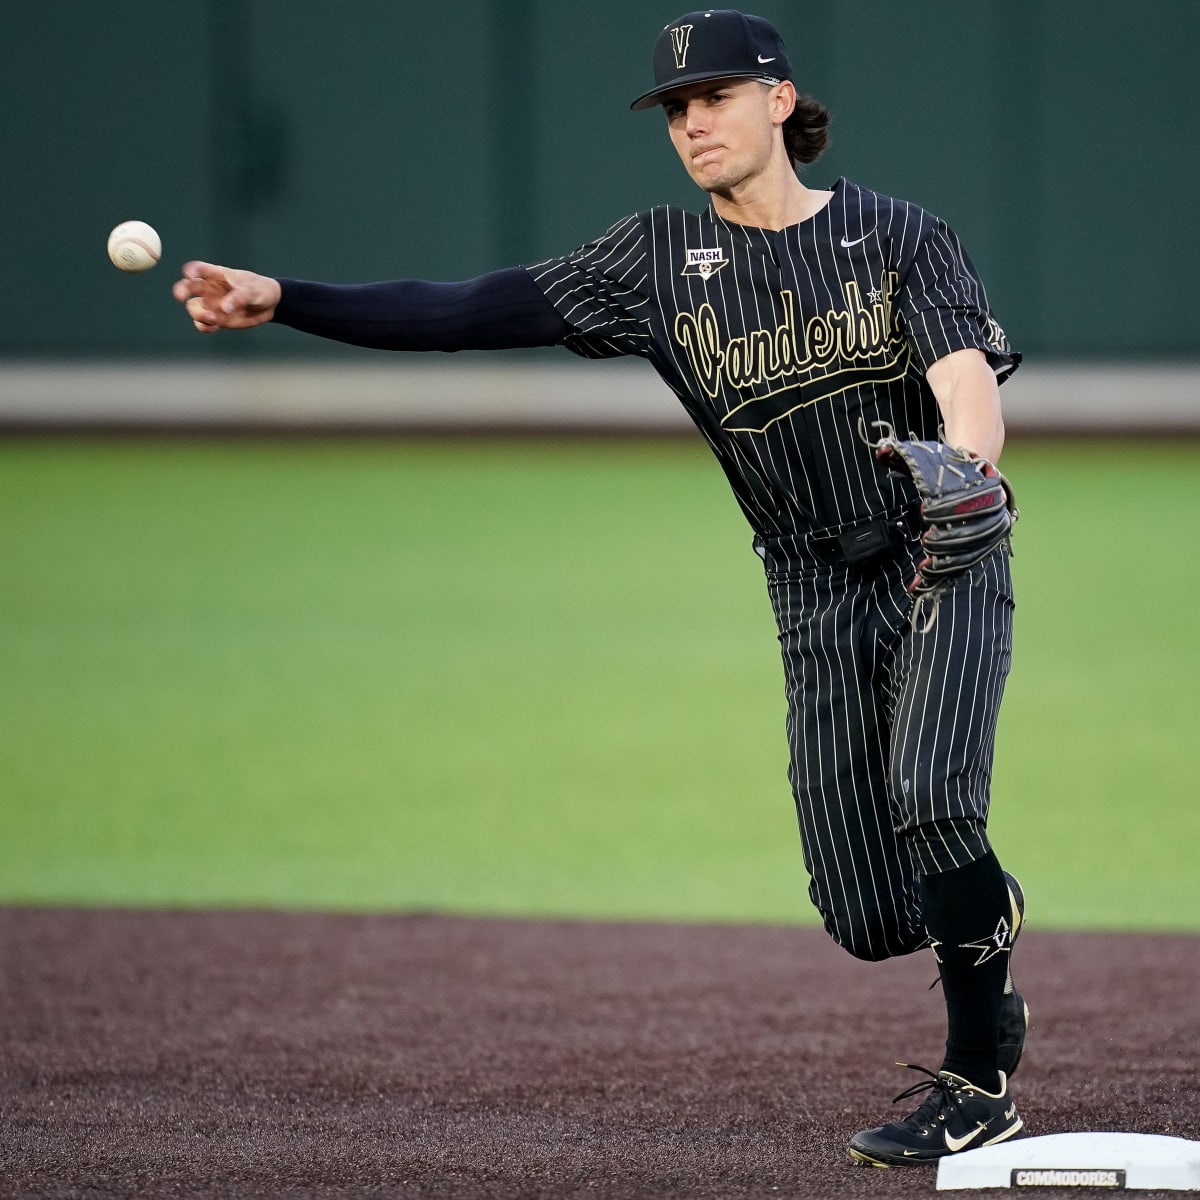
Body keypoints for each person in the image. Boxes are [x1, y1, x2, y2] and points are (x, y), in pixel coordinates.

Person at [173, 9, 1029, 1168]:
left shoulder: (897, 235)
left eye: (715, 98)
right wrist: (287, 296)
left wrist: (968, 471)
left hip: (940, 555)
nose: (693, 124)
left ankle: (979, 1078)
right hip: (808, 589)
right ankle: (980, 920)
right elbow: (466, 311)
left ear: (780, 102)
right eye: (676, 109)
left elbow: (963, 377)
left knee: (934, 798)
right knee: (871, 911)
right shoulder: (655, 261)